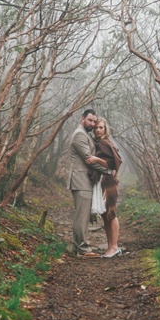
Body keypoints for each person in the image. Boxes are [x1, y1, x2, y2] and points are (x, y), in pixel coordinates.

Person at [67, 109, 109, 257]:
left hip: (84, 180)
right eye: (90, 120)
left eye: (94, 121)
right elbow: (88, 159)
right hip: (80, 180)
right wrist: (107, 171)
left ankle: (75, 247)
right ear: (82, 118)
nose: (92, 123)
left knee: (81, 215)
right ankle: (84, 249)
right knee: (82, 216)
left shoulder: (86, 135)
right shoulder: (79, 135)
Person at [86, 117, 122, 258]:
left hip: (108, 182)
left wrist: (96, 159)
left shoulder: (105, 143)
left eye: (101, 127)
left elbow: (112, 164)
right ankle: (110, 248)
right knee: (105, 215)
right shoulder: (99, 142)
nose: (98, 130)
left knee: (111, 214)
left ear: (105, 129)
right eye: (96, 128)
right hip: (101, 181)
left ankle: (115, 247)